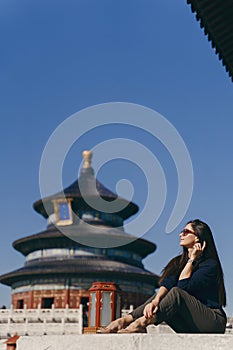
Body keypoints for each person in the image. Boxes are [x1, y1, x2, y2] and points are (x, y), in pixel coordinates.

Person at [98, 219, 227, 334]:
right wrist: (155, 301)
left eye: (186, 232)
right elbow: (168, 283)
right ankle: (124, 320)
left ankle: (142, 323)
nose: (181, 234)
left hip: (212, 321)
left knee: (176, 292)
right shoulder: (179, 262)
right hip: (190, 323)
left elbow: (182, 287)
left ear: (198, 237)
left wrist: (192, 260)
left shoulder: (209, 265)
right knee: (162, 295)